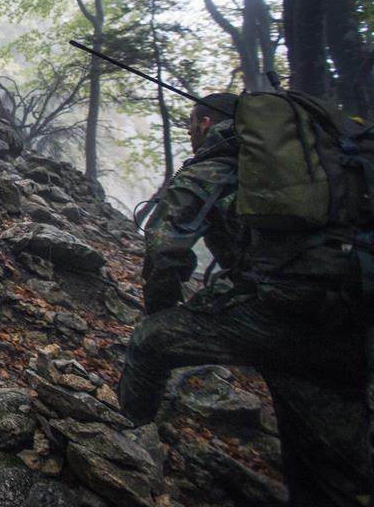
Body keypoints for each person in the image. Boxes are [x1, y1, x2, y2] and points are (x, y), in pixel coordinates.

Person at [118, 92, 370, 506]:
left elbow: (165, 244)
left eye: (189, 125)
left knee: (150, 341)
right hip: (350, 316)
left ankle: (125, 449)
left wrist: (160, 309)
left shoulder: (219, 159)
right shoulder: (321, 168)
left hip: (276, 312)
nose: (188, 133)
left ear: (204, 124)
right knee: (326, 469)